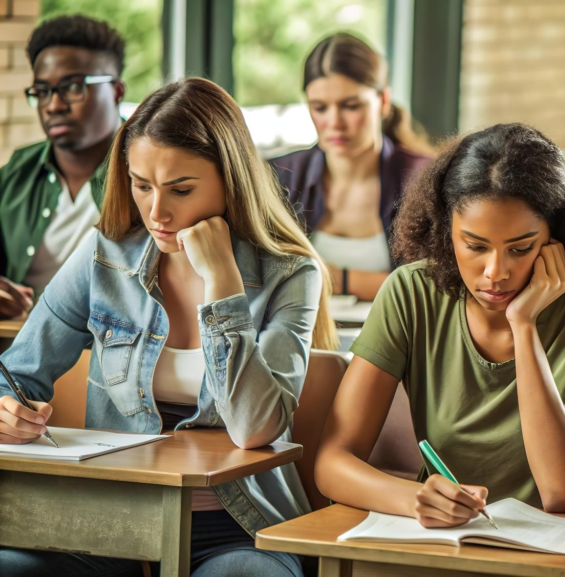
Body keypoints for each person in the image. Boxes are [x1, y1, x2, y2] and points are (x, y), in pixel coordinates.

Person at [0, 77, 337, 577]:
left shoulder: (291, 274)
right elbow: (17, 374)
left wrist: (222, 282)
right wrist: (6, 411)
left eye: (180, 189)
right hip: (110, 520)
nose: (157, 212)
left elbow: (257, 426)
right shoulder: (103, 258)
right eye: (141, 185)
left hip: (235, 528)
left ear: (230, 178)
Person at [314, 123, 565, 524]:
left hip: (559, 548)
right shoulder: (412, 293)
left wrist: (524, 326)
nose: (495, 272)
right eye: (475, 245)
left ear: (557, 238)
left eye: (520, 249)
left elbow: (561, 491)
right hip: (441, 541)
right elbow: (332, 463)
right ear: (446, 231)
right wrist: (415, 499)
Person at [272, 32, 433, 301]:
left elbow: (432, 286)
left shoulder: (424, 179)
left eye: (350, 105)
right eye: (320, 107)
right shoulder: (280, 177)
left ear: (383, 102)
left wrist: (333, 278)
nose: (334, 122)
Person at [0, 15, 125, 319]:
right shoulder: (17, 173)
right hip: (19, 352)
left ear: (116, 92)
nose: (53, 105)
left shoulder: (152, 174)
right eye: (42, 91)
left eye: (71, 87)